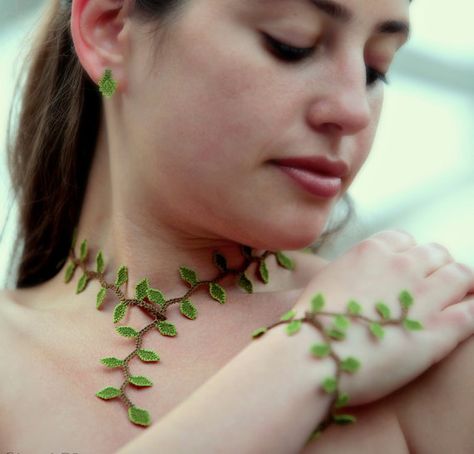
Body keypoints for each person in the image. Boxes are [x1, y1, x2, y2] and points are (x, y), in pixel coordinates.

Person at [1, 0, 473, 452]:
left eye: (376, 69)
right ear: (109, 32)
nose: (353, 110)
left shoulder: (428, 337)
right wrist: (307, 358)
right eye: (291, 44)